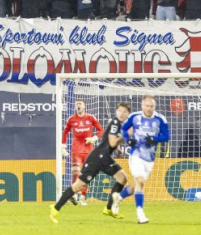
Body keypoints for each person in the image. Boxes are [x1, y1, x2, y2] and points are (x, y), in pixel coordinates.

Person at [51, 102, 130, 223]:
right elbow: (113, 142)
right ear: (116, 112)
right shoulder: (115, 122)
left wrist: (118, 148)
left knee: (123, 178)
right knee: (79, 186)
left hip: (105, 157)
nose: (122, 113)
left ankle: (108, 209)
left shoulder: (119, 124)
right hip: (96, 158)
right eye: (120, 111)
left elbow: (111, 141)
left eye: (124, 112)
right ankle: (55, 209)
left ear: (127, 114)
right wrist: (126, 135)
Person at [115, 96, 170, 224]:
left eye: (151, 106)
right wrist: (128, 140)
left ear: (154, 107)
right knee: (140, 182)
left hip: (149, 158)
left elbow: (167, 136)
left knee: (136, 186)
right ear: (142, 106)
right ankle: (140, 213)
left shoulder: (160, 119)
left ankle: (119, 197)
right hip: (136, 154)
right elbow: (123, 129)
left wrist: (155, 139)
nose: (149, 109)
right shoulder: (135, 117)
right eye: (147, 106)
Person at [59, 100, 102, 206]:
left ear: (84, 106)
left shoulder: (90, 118)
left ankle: (82, 196)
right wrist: (63, 146)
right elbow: (65, 132)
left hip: (88, 151)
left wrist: (94, 138)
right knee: (76, 173)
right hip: (76, 151)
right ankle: (74, 195)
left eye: (80, 104)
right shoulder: (71, 119)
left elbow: (101, 130)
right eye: (77, 104)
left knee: (86, 175)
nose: (78, 106)